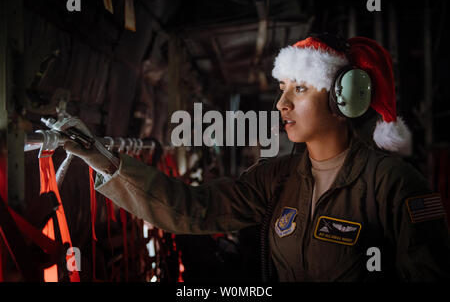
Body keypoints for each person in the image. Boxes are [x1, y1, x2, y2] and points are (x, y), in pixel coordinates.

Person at [65, 34, 450, 281]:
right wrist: (106, 161)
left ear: (343, 99)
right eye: (283, 88)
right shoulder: (276, 178)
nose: (282, 103)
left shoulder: (394, 185)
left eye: (299, 89)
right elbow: (196, 209)